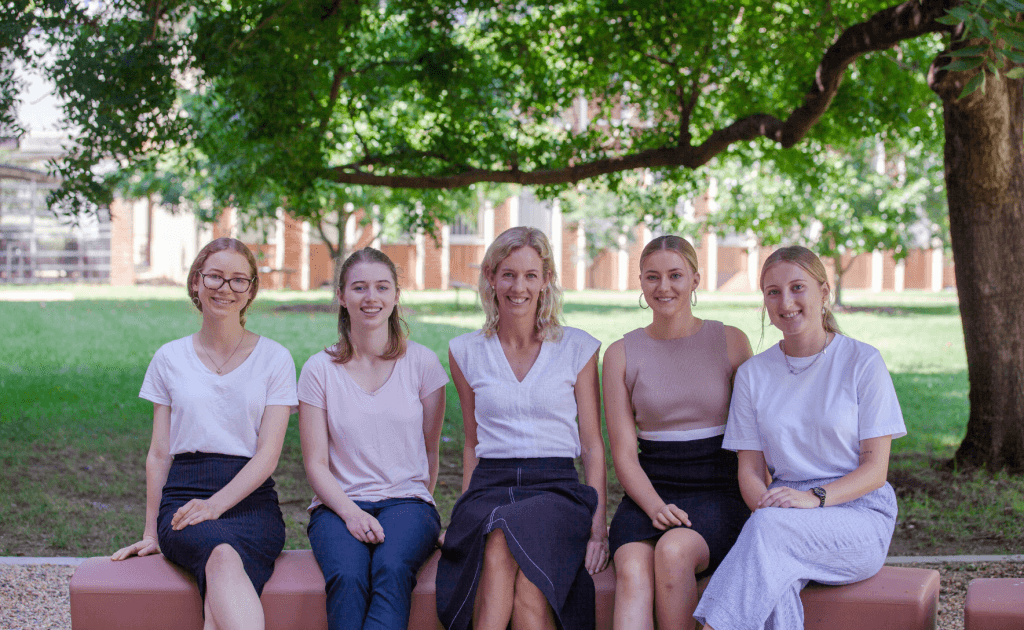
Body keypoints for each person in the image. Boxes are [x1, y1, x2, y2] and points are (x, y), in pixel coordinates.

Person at [693, 246, 907, 630]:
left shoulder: (863, 362)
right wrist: (768, 506)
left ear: (823, 293)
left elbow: (875, 470)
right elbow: (750, 471)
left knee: (768, 536)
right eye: (773, 291)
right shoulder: (754, 375)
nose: (785, 302)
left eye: (797, 287)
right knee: (776, 573)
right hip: (783, 511)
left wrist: (813, 500)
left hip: (858, 514)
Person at [112, 237, 297, 630]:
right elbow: (159, 454)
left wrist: (215, 506)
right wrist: (151, 532)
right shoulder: (169, 357)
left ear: (250, 291)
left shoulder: (275, 358)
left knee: (221, 578)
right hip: (184, 498)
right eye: (214, 276)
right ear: (196, 282)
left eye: (237, 280)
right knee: (223, 556)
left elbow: (267, 456)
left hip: (252, 500)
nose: (224, 288)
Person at [437, 226, 609, 630]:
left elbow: (591, 446)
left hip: (557, 489)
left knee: (509, 547)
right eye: (508, 274)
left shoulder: (577, 348)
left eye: (531, 275)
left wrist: (598, 526)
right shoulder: (465, 351)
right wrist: (463, 514)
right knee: (512, 561)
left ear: (546, 279)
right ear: (491, 277)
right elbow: (471, 444)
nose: (519, 287)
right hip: (490, 486)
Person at [602, 235, 753, 630]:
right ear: (640, 282)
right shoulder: (620, 354)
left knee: (673, 551)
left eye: (675, 275)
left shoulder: (732, 342)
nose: (663, 287)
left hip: (719, 489)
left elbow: (755, 440)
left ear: (696, 279)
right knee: (633, 570)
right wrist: (654, 507)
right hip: (649, 491)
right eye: (652, 277)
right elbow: (624, 453)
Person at [298, 247, 448, 630]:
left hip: (408, 503)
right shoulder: (319, 370)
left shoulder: (423, 364)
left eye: (382, 287)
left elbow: (430, 450)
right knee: (347, 577)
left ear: (396, 296)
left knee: (392, 567)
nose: (371, 298)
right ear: (341, 296)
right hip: (337, 505)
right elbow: (315, 463)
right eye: (359, 287)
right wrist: (350, 512)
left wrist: (415, 501)